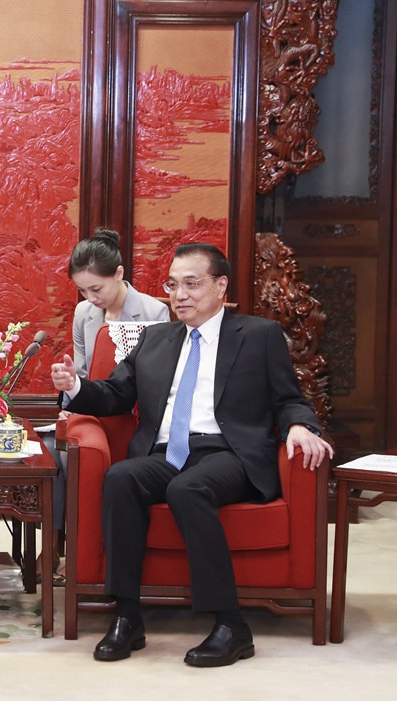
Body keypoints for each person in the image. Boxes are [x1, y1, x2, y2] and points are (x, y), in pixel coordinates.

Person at [50, 242, 332, 667]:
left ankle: (231, 625)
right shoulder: (155, 338)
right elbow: (115, 394)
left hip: (228, 453)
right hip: (168, 452)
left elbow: (289, 397)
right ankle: (127, 617)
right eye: (172, 285)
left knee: (188, 488)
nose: (179, 295)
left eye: (191, 284)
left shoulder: (258, 335)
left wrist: (299, 425)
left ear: (220, 286)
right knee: (121, 478)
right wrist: (74, 386)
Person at [41, 229, 169, 581]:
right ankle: (54, 545)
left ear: (119, 273)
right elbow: (82, 371)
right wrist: (69, 399)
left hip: (134, 414)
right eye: (82, 290)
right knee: (53, 451)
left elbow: (156, 381)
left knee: (72, 455)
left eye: (96, 289)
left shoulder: (154, 311)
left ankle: (81, 547)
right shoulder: (84, 313)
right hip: (92, 410)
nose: (90, 298)